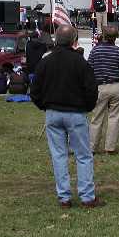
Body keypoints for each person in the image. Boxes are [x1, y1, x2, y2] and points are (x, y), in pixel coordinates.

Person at [30, 25, 102, 208]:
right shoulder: (80, 63)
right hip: (76, 113)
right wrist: (87, 107)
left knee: (59, 156)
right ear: (73, 41)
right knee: (83, 156)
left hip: (53, 113)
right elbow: (91, 89)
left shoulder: (45, 62)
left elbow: (35, 89)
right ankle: (87, 196)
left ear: (56, 39)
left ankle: (64, 197)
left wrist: (44, 106)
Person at [88, 25, 119, 154]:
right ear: (115, 37)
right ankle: (110, 148)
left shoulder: (95, 51)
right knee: (114, 118)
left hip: (99, 87)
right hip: (117, 86)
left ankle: (91, 148)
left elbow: (89, 70)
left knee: (96, 118)